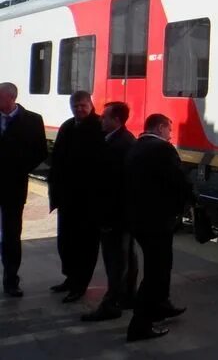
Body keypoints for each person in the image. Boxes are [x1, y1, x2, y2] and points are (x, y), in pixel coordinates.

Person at [125, 114, 191, 342]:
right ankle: (140, 325)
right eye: (169, 130)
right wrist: (190, 201)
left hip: (138, 221)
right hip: (157, 222)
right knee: (156, 272)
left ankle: (161, 306)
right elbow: (179, 181)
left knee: (160, 267)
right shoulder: (163, 150)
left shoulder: (136, 147)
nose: (170, 135)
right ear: (161, 128)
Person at [81, 102, 138, 322]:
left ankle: (111, 303)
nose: (101, 120)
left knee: (116, 260)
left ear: (116, 120)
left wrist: (105, 216)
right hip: (121, 214)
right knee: (126, 256)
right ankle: (127, 297)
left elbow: (113, 186)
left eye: (104, 117)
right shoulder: (121, 140)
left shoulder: (119, 145)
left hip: (114, 215)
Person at [47, 91, 105, 303]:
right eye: (75, 106)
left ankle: (80, 284)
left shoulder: (99, 127)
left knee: (85, 244)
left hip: (88, 200)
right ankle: (70, 278)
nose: (78, 109)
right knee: (66, 241)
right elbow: (57, 158)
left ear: (91, 104)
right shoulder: (67, 126)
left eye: (82, 105)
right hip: (66, 197)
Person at [0, 82, 49, 297]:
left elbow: (40, 152)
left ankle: (11, 280)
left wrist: (19, 168)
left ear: (11, 98)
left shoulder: (32, 120)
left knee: (12, 235)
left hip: (14, 186)